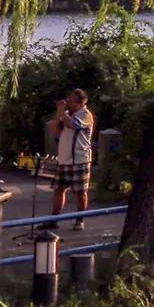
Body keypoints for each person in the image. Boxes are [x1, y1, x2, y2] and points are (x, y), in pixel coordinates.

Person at [48, 89, 95, 222]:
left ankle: (79, 221)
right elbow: (54, 130)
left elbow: (72, 124)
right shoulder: (66, 114)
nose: (68, 101)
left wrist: (62, 111)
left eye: (71, 100)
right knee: (58, 190)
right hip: (64, 159)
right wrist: (60, 112)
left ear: (80, 103)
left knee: (80, 192)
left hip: (79, 159)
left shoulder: (85, 114)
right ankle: (54, 220)